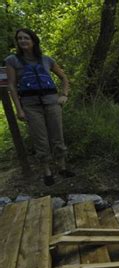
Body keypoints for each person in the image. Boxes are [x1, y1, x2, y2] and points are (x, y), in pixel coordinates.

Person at [5, 28, 74, 186]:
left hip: (51, 102)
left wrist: (64, 94)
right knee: (40, 139)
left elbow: (63, 77)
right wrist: (19, 109)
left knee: (57, 136)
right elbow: (12, 86)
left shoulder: (46, 59)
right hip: (31, 105)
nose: (23, 41)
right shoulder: (12, 61)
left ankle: (62, 168)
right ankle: (47, 172)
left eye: (26, 38)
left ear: (33, 40)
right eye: (20, 38)